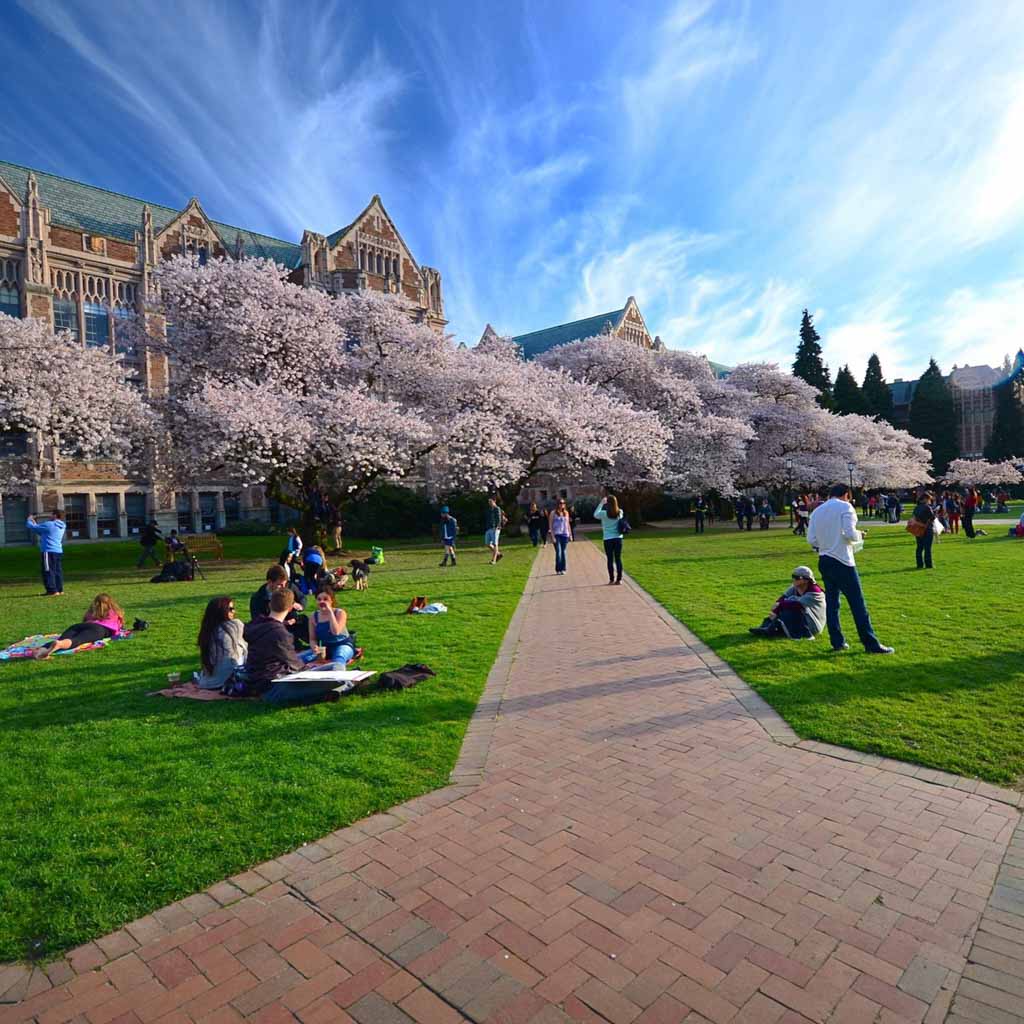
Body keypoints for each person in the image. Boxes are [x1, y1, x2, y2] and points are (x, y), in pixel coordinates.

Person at [806, 483, 894, 654]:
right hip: (843, 560)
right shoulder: (846, 507)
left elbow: (811, 539)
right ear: (846, 494)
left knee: (832, 604)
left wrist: (827, 543)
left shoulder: (817, 511)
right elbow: (849, 533)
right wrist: (860, 535)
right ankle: (870, 643)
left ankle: (837, 642)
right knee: (857, 604)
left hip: (824, 559)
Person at [243, 589, 305, 694]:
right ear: (290, 608)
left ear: (270, 605)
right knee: (335, 668)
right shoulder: (280, 633)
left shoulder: (255, 624)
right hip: (271, 685)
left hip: (254, 678)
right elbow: (295, 664)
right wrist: (309, 667)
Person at [33, 593, 124, 659]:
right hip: (98, 629)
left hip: (79, 626)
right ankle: (59, 645)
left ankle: (40, 650)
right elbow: (119, 627)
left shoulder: (91, 611)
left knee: (62, 638)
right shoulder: (114, 612)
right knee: (77, 640)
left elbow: (84, 620)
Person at [749, 566, 826, 639]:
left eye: (797, 578)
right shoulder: (795, 587)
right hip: (801, 619)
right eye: (793, 576)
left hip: (814, 625)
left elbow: (798, 605)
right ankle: (764, 628)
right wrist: (776, 607)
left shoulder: (815, 591)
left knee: (790, 606)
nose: (794, 579)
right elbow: (782, 598)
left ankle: (805, 635)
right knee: (787, 604)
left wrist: (778, 608)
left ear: (806, 580)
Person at [195, 596, 247, 689]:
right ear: (221, 611)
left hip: (207, 683)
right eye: (230, 609)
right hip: (230, 680)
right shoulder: (235, 625)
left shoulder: (207, 631)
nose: (234, 611)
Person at [250, 565, 308, 647]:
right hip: (273, 630)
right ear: (270, 582)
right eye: (280, 585)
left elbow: (302, 598)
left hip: (293, 623)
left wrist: (300, 606)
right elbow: (258, 621)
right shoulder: (258, 598)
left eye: (285, 584)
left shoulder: (290, 587)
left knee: (306, 621)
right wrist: (281, 622)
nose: (283, 588)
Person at [308, 589, 358, 665]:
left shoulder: (340, 613)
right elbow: (312, 639)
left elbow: (336, 632)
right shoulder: (313, 616)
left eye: (325, 599)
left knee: (338, 659)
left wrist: (330, 612)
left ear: (332, 601)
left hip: (342, 644)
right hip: (325, 648)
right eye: (319, 599)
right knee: (300, 658)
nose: (322, 602)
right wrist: (314, 647)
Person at [27, 510, 67, 597]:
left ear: (55, 515)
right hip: (58, 551)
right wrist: (35, 523)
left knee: (48, 570)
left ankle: (52, 590)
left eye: (52, 514)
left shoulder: (49, 524)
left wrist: (29, 520)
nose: (50, 516)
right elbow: (42, 532)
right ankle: (59, 590)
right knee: (57, 571)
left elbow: (33, 527)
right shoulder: (62, 525)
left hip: (48, 551)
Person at [594, 494, 625, 585]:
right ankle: (619, 579)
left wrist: (601, 503)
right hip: (618, 538)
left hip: (608, 538)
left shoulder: (603, 513)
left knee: (610, 559)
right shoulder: (620, 512)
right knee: (618, 558)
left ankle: (611, 579)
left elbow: (595, 514)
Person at [910, 490, 936, 570]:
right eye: (929, 499)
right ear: (925, 499)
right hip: (927, 529)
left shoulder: (916, 507)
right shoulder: (927, 507)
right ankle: (928, 564)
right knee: (927, 548)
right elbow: (932, 518)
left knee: (919, 547)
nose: (929, 501)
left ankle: (919, 564)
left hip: (918, 529)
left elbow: (914, 518)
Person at [549, 497, 572, 575]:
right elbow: (550, 525)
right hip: (557, 534)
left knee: (563, 552)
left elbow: (568, 524)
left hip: (565, 534)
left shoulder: (566, 513)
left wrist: (570, 535)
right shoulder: (553, 513)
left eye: (563, 503)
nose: (562, 505)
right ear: (557, 504)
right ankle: (558, 569)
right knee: (558, 552)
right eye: (560, 503)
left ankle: (563, 568)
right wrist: (552, 536)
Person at [484, 497, 506, 564]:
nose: (490, 503)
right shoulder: (489, 509)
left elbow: (498, 518)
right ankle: (498, 554)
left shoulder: (497, 509)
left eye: (491, 501)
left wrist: (497, 526)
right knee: (487, 543)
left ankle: (493, 560)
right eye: (489, 502)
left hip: (495, 528)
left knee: (495, 543)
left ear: (494, 501)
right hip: (489, 528)